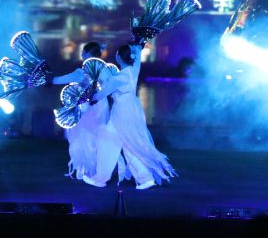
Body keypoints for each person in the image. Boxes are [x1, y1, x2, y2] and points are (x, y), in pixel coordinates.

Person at [84, 43, 175, 190]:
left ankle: (102, 179)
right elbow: (137, 57)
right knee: (127, 144)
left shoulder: (118, 78)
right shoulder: (133, 70)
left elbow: (101, 94)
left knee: (113, 142)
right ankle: (144, 178)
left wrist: (88, 97)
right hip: (133, 109)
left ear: (119, 57)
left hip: (122, 112)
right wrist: (138, 46)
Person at [51, 41, 117, 180]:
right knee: (98, 136)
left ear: (87, 53)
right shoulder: (106, 70)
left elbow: (58, 80)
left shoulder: (81, 72)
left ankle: (84, 169)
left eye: (83, 52)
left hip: (86, 106)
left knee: (82, 136)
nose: (81, 54)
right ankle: (96, 169)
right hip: (101, 105)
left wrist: (47, 79)